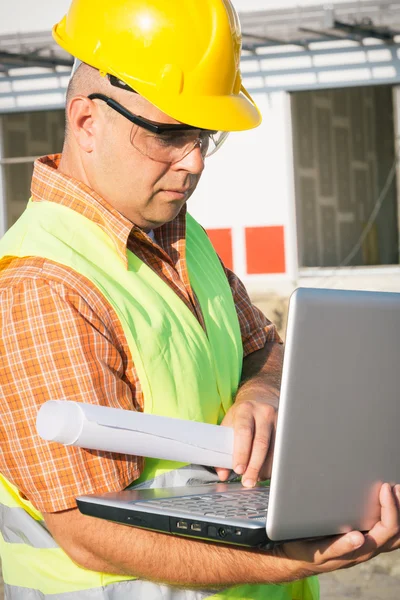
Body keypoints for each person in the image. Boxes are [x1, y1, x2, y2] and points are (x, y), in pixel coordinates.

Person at [0, 1, 399, 598]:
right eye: (167, 133)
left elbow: (265, 347)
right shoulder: (42, 285)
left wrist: (259, 394)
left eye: (204, 137)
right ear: (86, 122)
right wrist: (290, 560)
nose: (192, 163)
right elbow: (88, 534)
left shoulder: (184, 240)